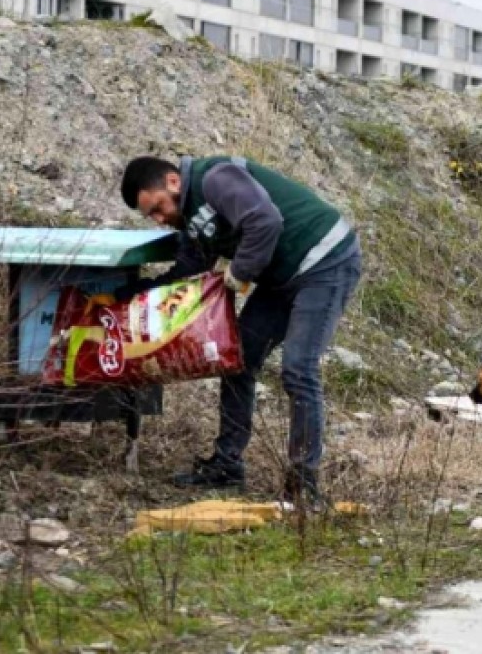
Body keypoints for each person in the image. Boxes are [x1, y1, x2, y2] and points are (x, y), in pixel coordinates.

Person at [112, 154, 362, 504]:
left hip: (325, 262)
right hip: (282, 277)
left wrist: (240, 272)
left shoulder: (215, 178)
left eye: (158, 208)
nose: (159, 219)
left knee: (298, 369)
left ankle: (304, 486)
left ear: (172, 182)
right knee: (237, 359)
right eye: (150, 215)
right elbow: (186, 273)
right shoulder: (189, 221)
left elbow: (265, 221)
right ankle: (227, 466)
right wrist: (133, 297)